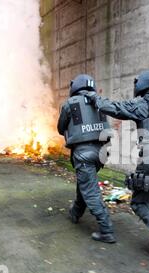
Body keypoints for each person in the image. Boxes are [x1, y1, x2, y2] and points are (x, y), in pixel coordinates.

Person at [87, 71, 149, 261]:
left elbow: (113, 107)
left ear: (142, 85)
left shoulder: (142, 104)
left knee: (139, 202)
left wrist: (94, 97)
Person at [57, 74, 116, 244]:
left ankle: (106, 230)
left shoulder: (70, 103)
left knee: (90, 190)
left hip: (84, 153)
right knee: (85, 182)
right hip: (102, 152)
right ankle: (75, 212)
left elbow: (61, 128)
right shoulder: (99, 101)